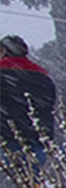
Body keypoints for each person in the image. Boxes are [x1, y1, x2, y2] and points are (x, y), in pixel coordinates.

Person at [0, 35, 57, 166]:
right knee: (32, 181)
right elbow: (47, 107)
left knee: (9, 180)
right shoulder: (44, 79)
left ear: (4, 51)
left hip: (6, 137)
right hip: (38, 138)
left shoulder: (2, 75)